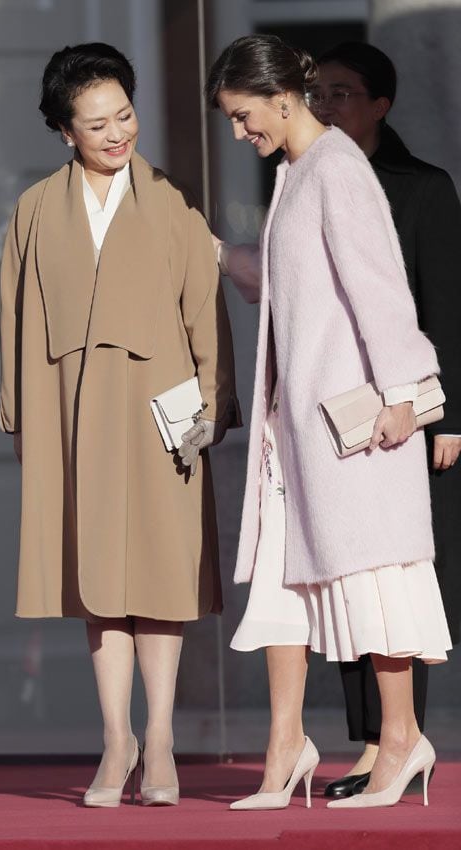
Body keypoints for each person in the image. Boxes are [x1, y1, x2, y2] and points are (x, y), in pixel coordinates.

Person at [206, 34, 452, 811]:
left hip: (355, 424)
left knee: (375, 580)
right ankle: (286, 748)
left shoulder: (337, 169)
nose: (242, 134)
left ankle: (403, 739)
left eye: (245, 117)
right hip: (301, 427)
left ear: (281, 98)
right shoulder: (299, 171)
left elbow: (381, 292)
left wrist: (409, 395)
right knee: (283, 584)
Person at [0, 42, 240, 808]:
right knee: (99, 580)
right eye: (96, 123)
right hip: (75, 415)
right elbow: (18, 319)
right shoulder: (36, 208)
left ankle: (161, 736)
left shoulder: (170, 199)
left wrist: (212, 404)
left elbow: (205, 313)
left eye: (125, 114)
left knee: (162, 576)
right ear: (64, 131)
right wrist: (22, 420)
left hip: (163, 415)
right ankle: (117, 738)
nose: (117, 133)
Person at [307, 41, 461, 798]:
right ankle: (370, 741)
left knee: (400, 579)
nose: (326, 105)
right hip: (338, 414)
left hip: (407, 418)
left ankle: (403, 738)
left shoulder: (421, 187)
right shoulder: (305, 182)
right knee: (348, 574)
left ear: (380, 105)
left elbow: (449, 309)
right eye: (319, 93)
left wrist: (450, 416)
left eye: (341, 92)